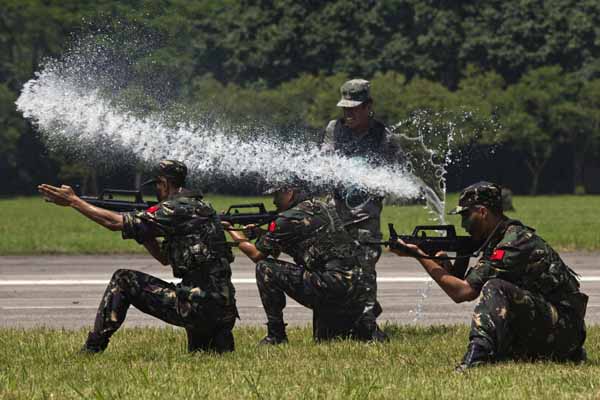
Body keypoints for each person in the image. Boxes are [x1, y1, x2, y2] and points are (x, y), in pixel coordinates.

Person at [38, 160, 237, 354]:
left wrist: (74, 201)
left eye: (157, 186)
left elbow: (114, 223)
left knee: (124, 279)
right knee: (205, 355)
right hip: (222, 310)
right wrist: (143, 232)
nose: (156, 192)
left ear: (165, 183)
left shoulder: (174, 208)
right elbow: (165, 258)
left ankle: (93, 347)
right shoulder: (203, 207)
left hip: (199, 305)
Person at [391, 181, 588, 370]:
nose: (463, 224)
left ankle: (477, 357)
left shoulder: (513, 242)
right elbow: (462, 283)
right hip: (549, 326)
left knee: (495, 287)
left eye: (466, 216)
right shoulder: (494, 240)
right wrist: (442, 263)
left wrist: (418, 255)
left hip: (566, 330)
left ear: (483, 212)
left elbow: (463, 292)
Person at [223, 185, 386, 344]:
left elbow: (256, 255)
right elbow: (296, 242)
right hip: (355, 288)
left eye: (277, 195)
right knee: (327, 339)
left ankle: (276, 334)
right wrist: (262, 234)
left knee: (265, 268)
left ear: (289, 193)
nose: (274, 201)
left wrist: (231, 230)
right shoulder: (319, 207)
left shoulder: (288, 218)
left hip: (333, 286)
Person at [321, 78, 403, 336]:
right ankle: (340, 322)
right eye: (345, 107)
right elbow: (324, 163)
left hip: (365, 216)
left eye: (354, 107)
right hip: (336, 213)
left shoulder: (384, 137)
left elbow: (397, 173)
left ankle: (367, 326)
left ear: (369, 106)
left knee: (366, 266)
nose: (348, 113)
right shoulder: (334, 129)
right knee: (336, 267)